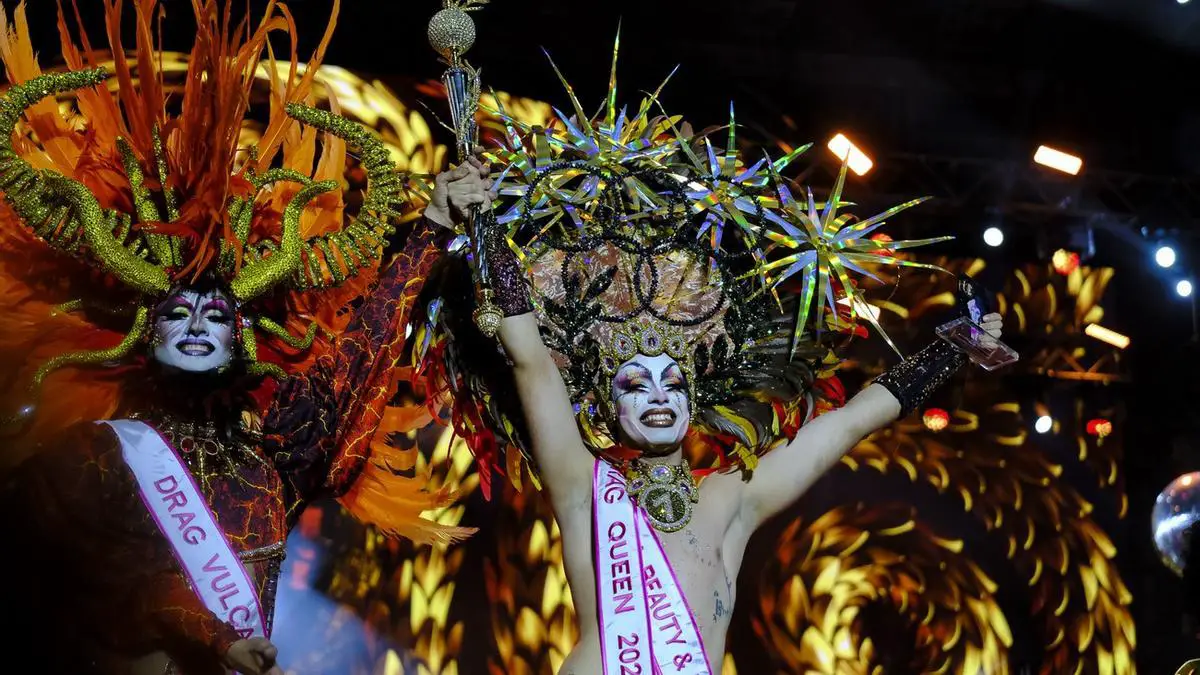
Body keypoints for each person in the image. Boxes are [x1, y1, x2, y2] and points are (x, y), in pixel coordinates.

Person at [414, 46, 1005, 674]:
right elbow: (529, 356)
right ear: (608, 410)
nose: (660, 394)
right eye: (636, 383)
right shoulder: (584, 487)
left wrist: (952, 351)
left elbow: (850, 422)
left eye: (673, 381)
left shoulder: (730, 500)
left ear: (695, 397)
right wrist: (481, 222)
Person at [0, 2, 489, 673]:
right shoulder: (92, 458)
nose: (199, 322)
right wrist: (212, 632)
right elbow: (101, 586)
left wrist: (432, 223)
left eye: (216, 312)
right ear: (146, 330)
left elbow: (362, 352)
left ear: (241, 335)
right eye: (179, 310)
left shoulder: (272, 457)